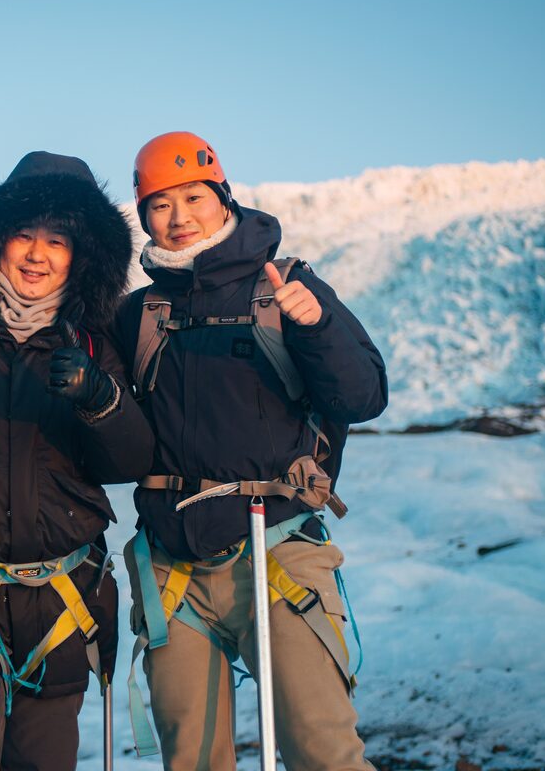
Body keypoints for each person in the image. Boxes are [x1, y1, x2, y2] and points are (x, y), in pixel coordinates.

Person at [115, 131, 389, 770]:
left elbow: (363, 396)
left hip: (277, 554)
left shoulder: (287, 286)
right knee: (192, 761)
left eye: (193, 197)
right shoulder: (139, 313)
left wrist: (315, 326)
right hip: (171, 569)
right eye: (160, 204)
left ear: (223, 195)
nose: (179, 218)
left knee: (322, 752)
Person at [0, 151, 154, 770]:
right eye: (24, 234)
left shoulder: (96, 343)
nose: (38, 254)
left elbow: (130, 459)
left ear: (83, 254)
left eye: (58, 240)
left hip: (63, 605)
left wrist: (101, 398)